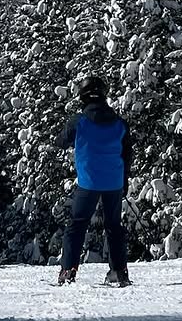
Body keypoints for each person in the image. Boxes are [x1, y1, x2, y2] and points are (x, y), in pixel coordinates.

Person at [55, 76, 133, 287]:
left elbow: (61, 141)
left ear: (83, 96)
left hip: (88, 182)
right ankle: (119, 271)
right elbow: (127, 155)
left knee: (77, 225)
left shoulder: (78, 121)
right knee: (114, 226)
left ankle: (68, 270)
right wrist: (124, 181)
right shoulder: (120, 123)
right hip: (114, 182)